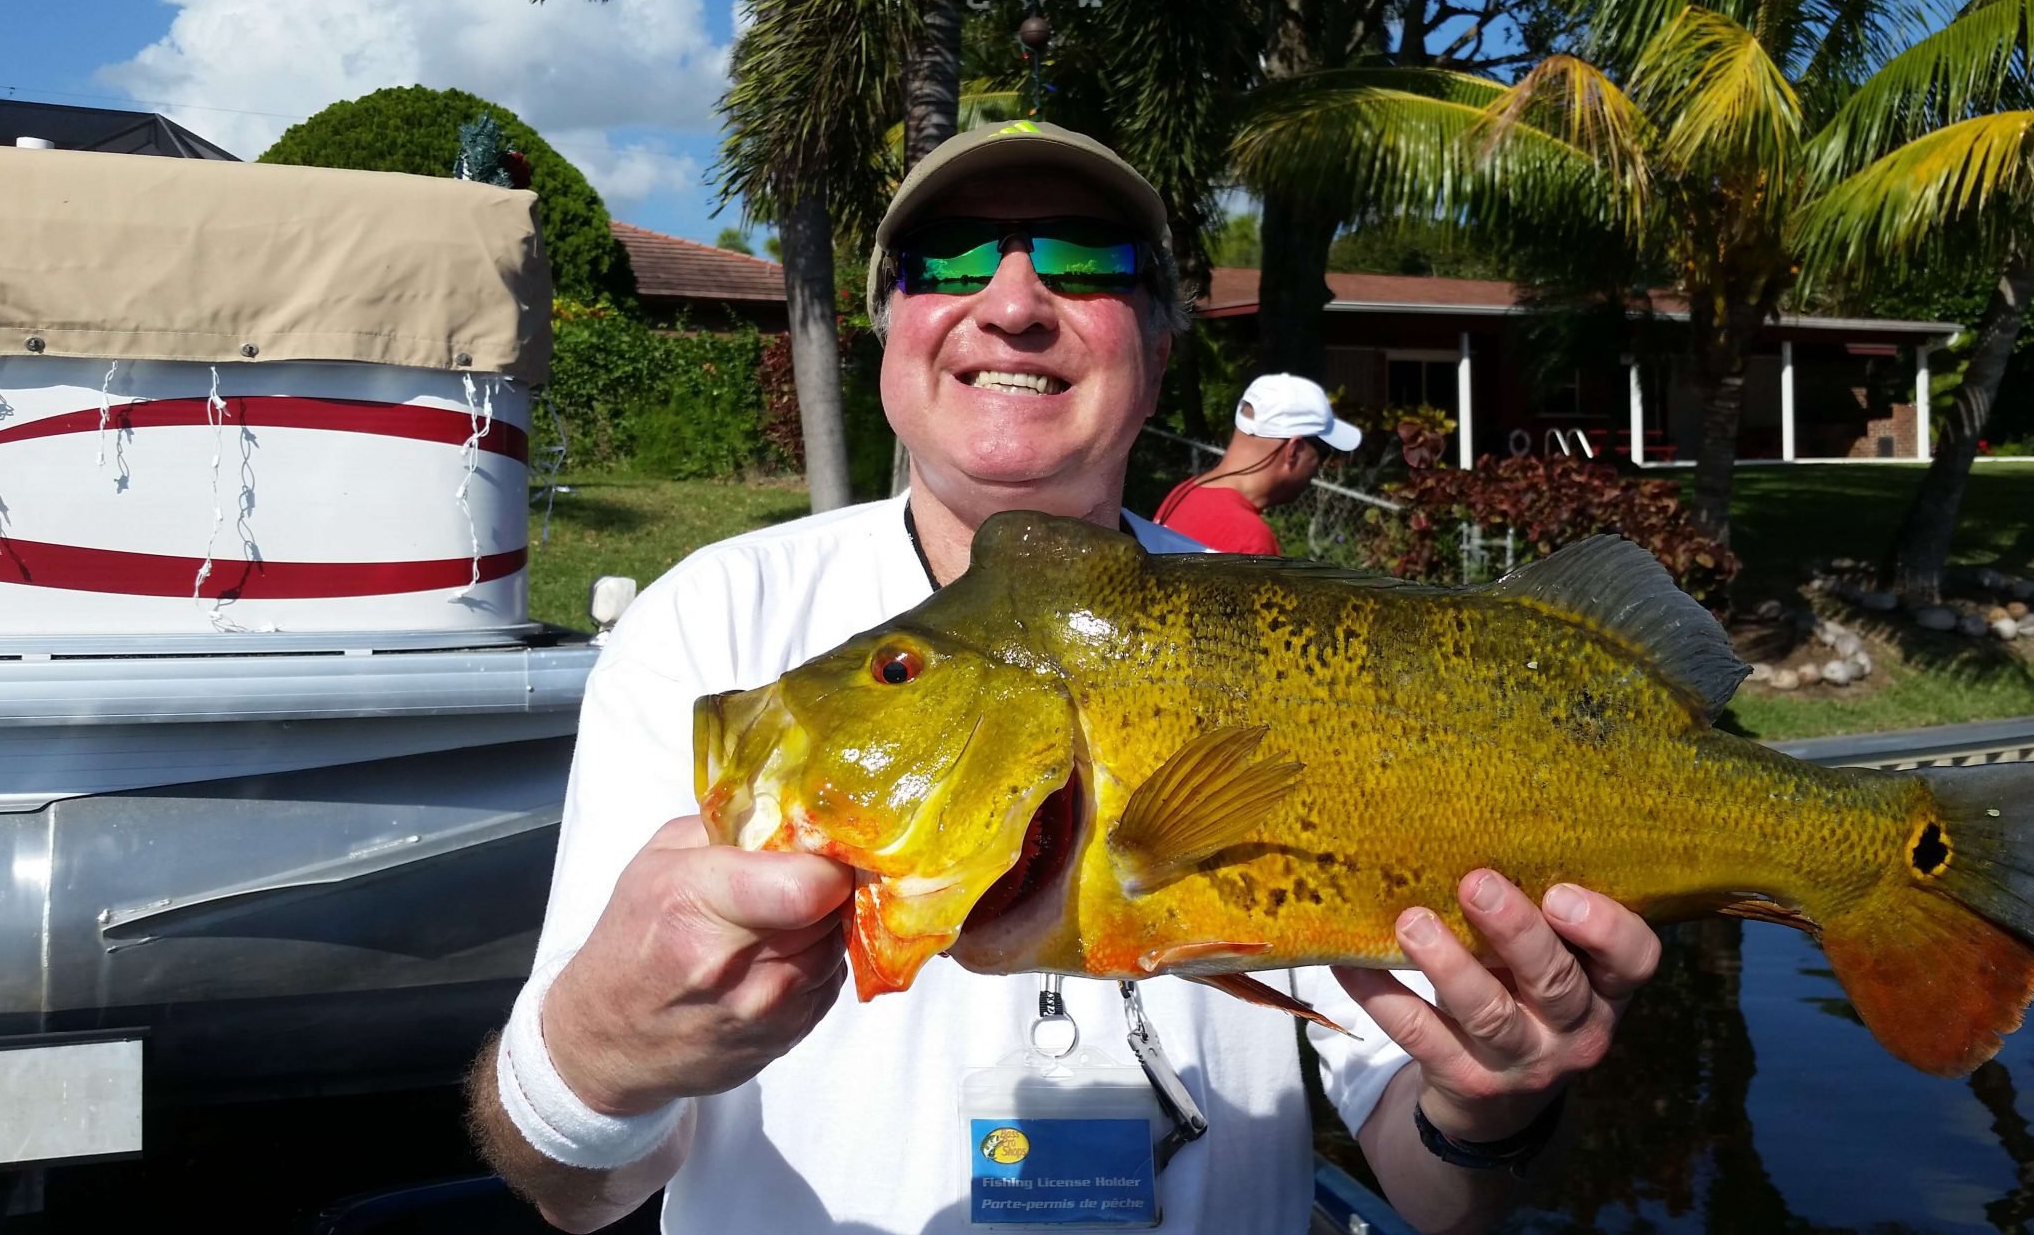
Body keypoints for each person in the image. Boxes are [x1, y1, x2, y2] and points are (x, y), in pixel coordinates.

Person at [468, 120, 1660, 1235]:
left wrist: (1488, 1109)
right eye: (949, 257)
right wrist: (603, 1050)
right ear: (890, 322)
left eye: (1089, 262)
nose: (1013, 302)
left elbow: (1429, 1169)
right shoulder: (717, 621)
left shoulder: (1275, 629)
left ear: (1161, 339)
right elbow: (573, 1195)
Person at [1154, 373, 1361, 555]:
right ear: (1294, 450)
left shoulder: (1183, 493)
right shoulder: (1249, 541)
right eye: (1322, 453)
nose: (1319, 467)